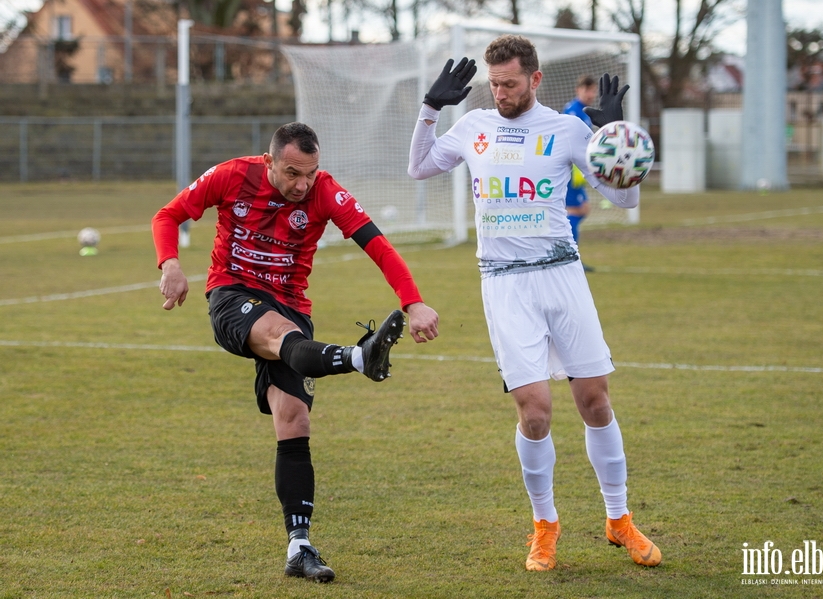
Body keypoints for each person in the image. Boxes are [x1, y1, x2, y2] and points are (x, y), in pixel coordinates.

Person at [407, 36, 660, 572]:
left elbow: (625, 199)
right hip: (504, 285)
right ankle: (545, 526)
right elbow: (420, 168)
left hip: (563, 277)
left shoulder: (568, 129)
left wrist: (609, 135)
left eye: (511, 84)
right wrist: (431, 109)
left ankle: (619, 520)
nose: (500, 93)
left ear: (535, 80)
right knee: (537, 412)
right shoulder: (474, 126)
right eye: (494, 84)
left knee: (595, 400)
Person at [152, 122, 439, 584]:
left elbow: (379, 247)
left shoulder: (325, 191)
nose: (302, 184)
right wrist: (170, 263)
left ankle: (299, 546)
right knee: (282, 335)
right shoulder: (232, 175)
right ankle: (360, 358)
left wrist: (413, 300)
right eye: (292, 173)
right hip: (232, 295)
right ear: (269, 162)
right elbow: (167, 215)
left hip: (292, 306)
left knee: (294, 421)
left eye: (310, 173)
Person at [562, 75, 597, 270]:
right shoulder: (574, 112)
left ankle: (570, 257)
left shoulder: (583, 112)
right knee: (575, 210)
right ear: (579, 90)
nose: (591, 95)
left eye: (593, 91)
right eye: (588, 90)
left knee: (582, 210)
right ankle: (570, 259)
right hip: (572, 171)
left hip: (578, 171)